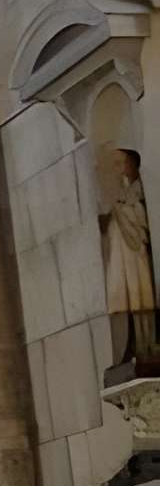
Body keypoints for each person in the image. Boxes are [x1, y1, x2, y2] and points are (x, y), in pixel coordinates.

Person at [102, 147, 158, 365]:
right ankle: (135, 346)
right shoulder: (122, 193)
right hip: (123, 261)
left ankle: (148, 346)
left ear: (131, 165)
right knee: (129, 301)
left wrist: (122, 210)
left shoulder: (140, 190)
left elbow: (143, 220)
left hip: (137, 258)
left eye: (119, 163)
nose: (117, 169)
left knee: (142, 299)